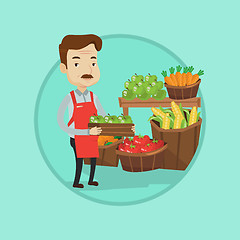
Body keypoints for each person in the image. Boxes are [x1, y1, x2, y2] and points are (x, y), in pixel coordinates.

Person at [57, 34, 105, 188]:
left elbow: (104, 117)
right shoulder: (69, 98)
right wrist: (83, 132)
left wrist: (122, 128)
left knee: (93, 158)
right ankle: (76, 181)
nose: (87, 69)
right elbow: (61, 123)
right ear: (65, 68)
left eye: (93, 62)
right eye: (77, 64)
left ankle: (91, 179)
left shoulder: (94, 97)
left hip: (93, 135)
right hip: (77, 137)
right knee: (79, 159)